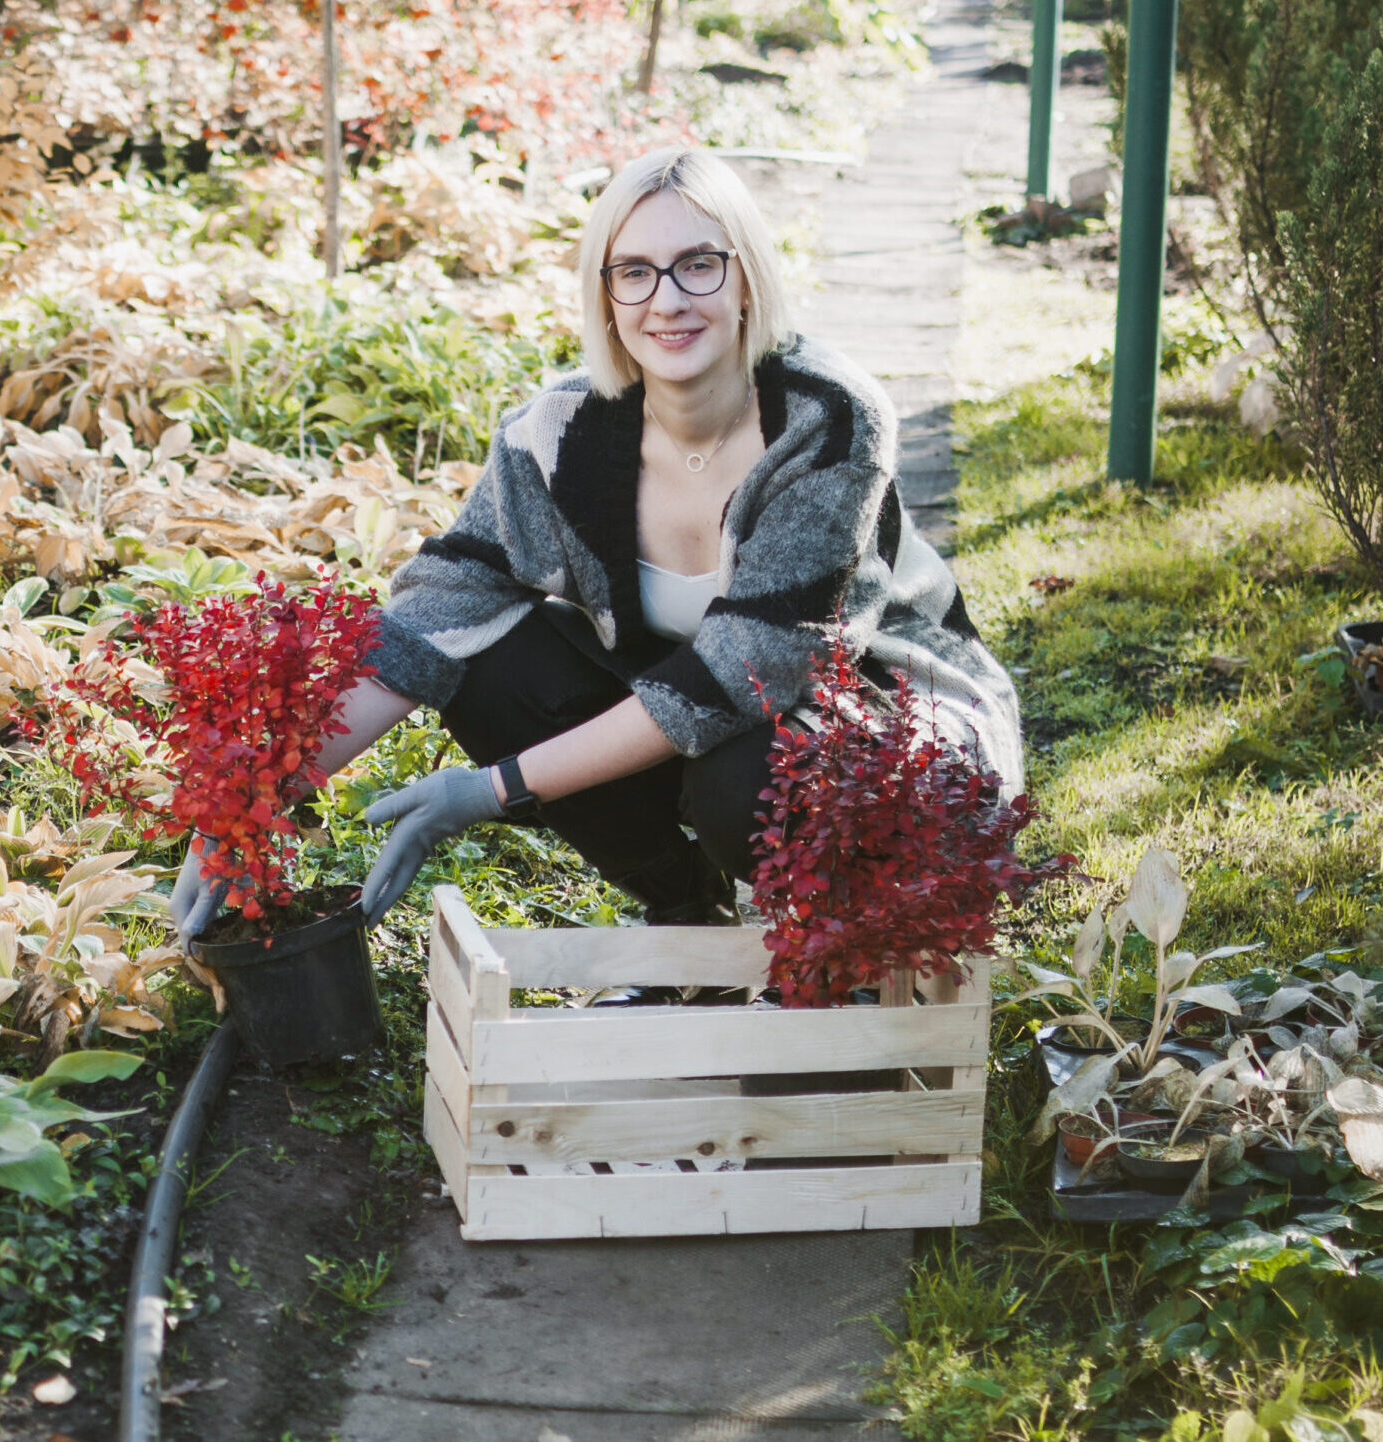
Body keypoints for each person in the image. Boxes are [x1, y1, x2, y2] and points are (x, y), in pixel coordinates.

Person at [172, 146, 1025, 942]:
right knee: (489, 662)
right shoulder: (565, 434)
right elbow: (427, 623)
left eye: (698, 264)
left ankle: (837, 958)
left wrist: (491, 790)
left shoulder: (826, 420)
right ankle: (686, 928)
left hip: (879, 720)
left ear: (746, 280)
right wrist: (256, 797)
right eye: (634, 273)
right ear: (606, 298)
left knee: (745, 779)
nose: (668, 300)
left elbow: (749, 672)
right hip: (711, 722)